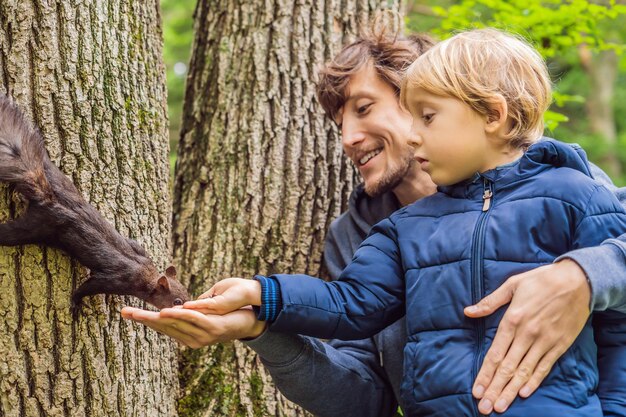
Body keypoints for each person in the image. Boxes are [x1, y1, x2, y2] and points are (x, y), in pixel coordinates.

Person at [122, 28, 626, 417]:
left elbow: (619, 330)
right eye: (339, 123)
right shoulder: (391, 231)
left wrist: (586, 275)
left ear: (488, 114)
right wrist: (261, 304)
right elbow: (350, 310)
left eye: (367, 109)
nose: (347, 138)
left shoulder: (576, 191)